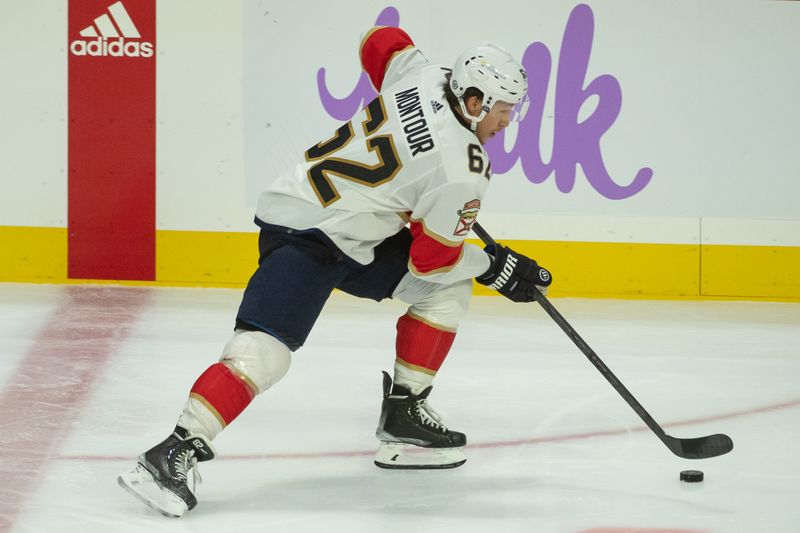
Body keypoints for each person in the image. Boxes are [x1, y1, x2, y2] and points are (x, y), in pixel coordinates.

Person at [118, 25, 552, 517]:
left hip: (348, 235)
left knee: (445, 291)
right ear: (473, 101)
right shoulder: (464, 169)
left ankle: (403, 413)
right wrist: (495, 265)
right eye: (503, 109)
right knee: (263, 355)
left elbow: (381, 40)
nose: (507, 121)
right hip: (310, 237)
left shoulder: (427, 75)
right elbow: (430, 258)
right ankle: (173, 450)